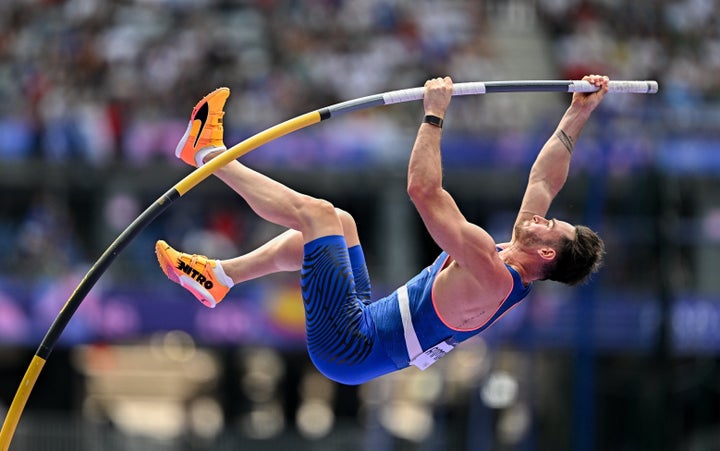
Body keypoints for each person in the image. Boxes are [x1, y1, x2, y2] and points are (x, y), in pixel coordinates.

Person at [156, 75, 608, 385]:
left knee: (315, 215)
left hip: (352, 345)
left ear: (546, 254)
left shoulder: (491, 272)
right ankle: (220, 276)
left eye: (549, 224)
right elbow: (544, 179)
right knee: (340, 224)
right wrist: (577, 113)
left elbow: (423, 190)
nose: (539, 216)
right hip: (365, 324)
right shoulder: (514, 254)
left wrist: (433, 114)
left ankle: (207, 152)